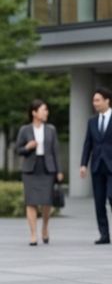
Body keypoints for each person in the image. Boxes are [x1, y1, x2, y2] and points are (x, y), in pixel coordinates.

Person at [78, 87, 112, 244]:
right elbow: (87, 144)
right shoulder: (92, 121)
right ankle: (104, 234)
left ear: (107, 100)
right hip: (97, 166)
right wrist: (83, 164)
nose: (94, 103)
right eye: (94, 100)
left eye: (97, 100)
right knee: (99, 201)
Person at [15, 100, 63, 246]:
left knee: (46, 202)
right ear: (34, 112)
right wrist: (27, 147)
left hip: (47, 169)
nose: (46, 112)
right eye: (43, 110)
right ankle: (33, 234)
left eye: (46, 110)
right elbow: (18, 150)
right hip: (31, 170)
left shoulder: (51, 129)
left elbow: (56, 151)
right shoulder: (25, 130)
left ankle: (44, 228)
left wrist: (59, 170)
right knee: (31, 202)